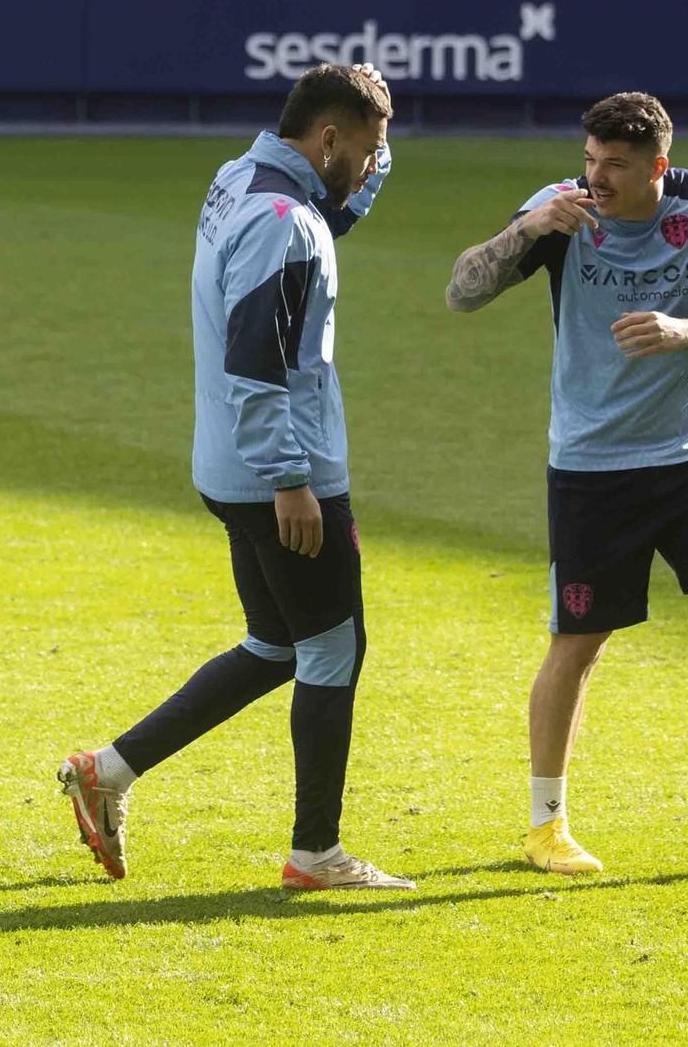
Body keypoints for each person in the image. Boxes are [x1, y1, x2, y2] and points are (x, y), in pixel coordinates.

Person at [444, 91, 688, 874]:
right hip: (592, 467)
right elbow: (461, 291)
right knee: (578, 643)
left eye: (614, 165)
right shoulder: (561, 212)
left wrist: (682, 330)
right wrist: (528, 228)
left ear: (658, 165)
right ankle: (544, 824)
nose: (596, 178)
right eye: (589, 161)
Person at [58, 63, 413, 892]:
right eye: (365, 151)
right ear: (326, 139)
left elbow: (322, 218)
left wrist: (373, 160)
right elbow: (257, 358)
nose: (369, 165)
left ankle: (107, 770)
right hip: (281, 470)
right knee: (334, 647)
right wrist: (292, 477)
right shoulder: (282, 220)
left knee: (277, 644)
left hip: (229, 460)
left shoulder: (241, 180)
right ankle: (316, 853)